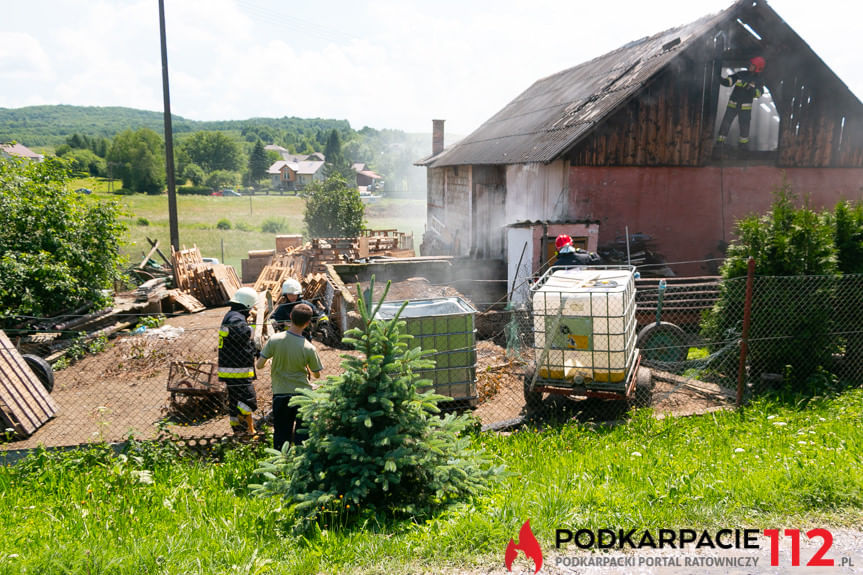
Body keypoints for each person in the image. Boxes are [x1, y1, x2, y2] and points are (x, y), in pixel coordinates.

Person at [257, 303, 323, 451]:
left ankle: (279, 468)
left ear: (291, 316)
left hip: (280, 395)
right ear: (307, 323)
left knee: (281, 434)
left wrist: (271, 360)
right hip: (303, 396)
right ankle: (302, 466)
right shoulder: (309, 347)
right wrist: (306, 367)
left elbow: (259, 365)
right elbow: (317, 374)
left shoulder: (274, 340)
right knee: (303, 436)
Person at [218, 287, 260, 437]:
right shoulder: (235, 318)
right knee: (248, 400)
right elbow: (243, 335)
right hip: (237, 370)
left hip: (233, 369)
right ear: (247, 305)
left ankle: (240, 431)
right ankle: (247, 428)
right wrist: (254, 329)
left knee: (236, 401)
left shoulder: (232, 315)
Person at [716, 56, 766, 150]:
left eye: (753, 65)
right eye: (751, 64)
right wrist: (719, 79)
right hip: (733, 105)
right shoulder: (741, 74)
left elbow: (758, 94)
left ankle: (742, 148)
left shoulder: (759, 81)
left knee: (744, 128)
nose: (750, 66)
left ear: (758, 68)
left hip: (745, 109)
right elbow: (728, 82)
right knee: (725, 125)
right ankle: (719, 144)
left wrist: (750, 88)